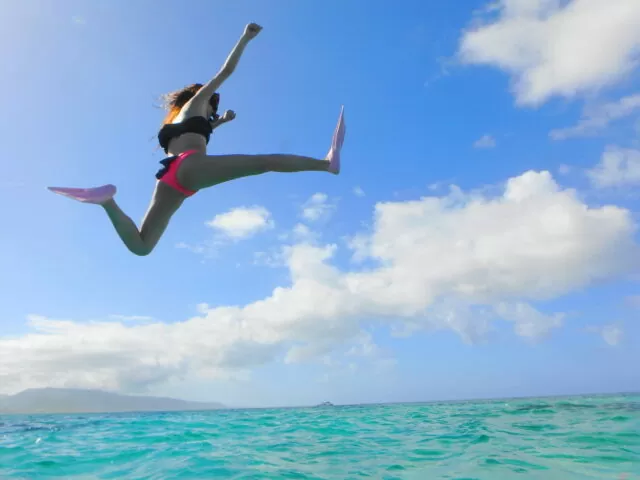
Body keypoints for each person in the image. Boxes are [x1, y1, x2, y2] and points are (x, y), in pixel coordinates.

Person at [48, 22, 346, 256]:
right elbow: (224, 72)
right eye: (212, 104)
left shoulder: (179, 121)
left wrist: (220, 123)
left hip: (170, 179)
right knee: (264, 162)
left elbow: (197, 132)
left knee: (142, 247)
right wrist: (245, 38)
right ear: (203, 98)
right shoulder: (196, 103)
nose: (212, 108)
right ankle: (325, 163)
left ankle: (107, 201)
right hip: (189, 169)